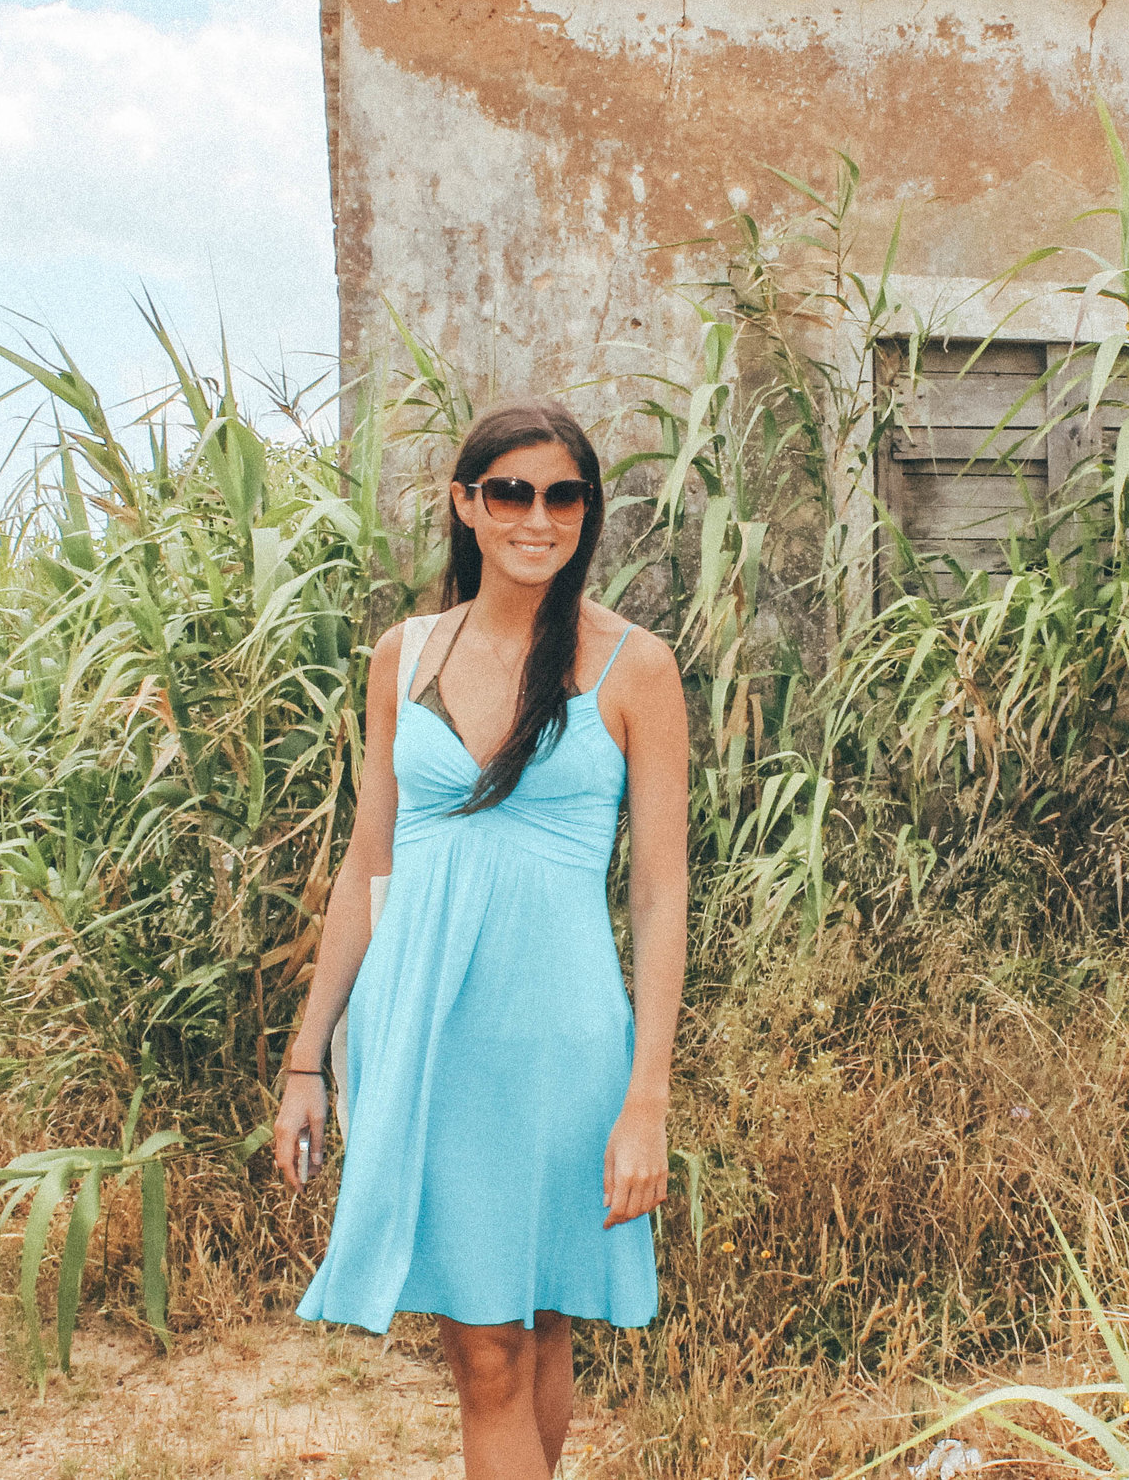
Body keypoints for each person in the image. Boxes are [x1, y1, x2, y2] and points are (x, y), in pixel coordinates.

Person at [274, 397, 689, 1478]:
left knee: (535, 1324)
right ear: (466, 504)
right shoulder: (401, 656)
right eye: (510, 491)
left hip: (559, 1041)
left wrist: (646, 1096)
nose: (535, 517)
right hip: (423, 1033)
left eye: (561, 495)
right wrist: (305, 1055)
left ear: (588, 511)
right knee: (488, 1343)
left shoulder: (634, 666)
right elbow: (369, 867)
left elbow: (658, 893)